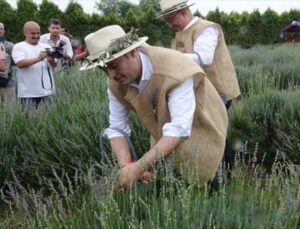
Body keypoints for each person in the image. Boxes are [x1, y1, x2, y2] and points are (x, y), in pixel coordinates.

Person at [80, 25, 228, 190]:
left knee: (209, 175)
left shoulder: (175, 67)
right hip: (165, 129)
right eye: (103, 69)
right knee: (169, 183)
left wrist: (137, 168)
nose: (111, 75)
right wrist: (126, 166)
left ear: (132, 52)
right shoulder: (115, 83)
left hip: (202, 121)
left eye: (114, 65)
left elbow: (179, 129)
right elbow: (117, 128)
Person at [157, 0, 240, 109]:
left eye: (170, 19)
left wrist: (168, 58)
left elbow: (204, 58)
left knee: (211, 125)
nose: (169, 25)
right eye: (166, 21)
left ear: (182, 12)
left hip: (216, 92)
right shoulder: (180, 34)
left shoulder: (206, 28)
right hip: (198, 93)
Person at [12, 21, 57, 109]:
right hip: (28, 93)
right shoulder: (19, 46)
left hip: (48, 91)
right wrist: (38, 58)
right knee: (30, 121)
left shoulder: (46, 46)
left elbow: (55, 64)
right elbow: (20, 64)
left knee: (51, 119)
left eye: (38, 33)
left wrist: (51, 60)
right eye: (32, 33)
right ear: (25, 33)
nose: (36, 36)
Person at [0, 22, 15, 102]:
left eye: (1, 29)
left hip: (7, 82)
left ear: (4, 31)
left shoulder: (10, 46)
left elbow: (15, 62)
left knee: (10, 110)